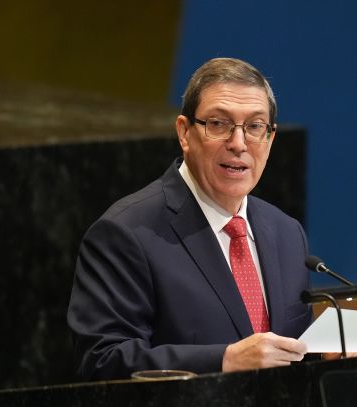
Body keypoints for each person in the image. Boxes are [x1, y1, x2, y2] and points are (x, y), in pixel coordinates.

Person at [68, 57, 311, 381]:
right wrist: (223, 360)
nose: (238, 144)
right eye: (219, 124)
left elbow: (286, 351)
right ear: (184, 132)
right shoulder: (126, 233)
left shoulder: (287, 232)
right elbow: (103, 360)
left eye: (254, 127)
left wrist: (331, 356)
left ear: (270, 138)